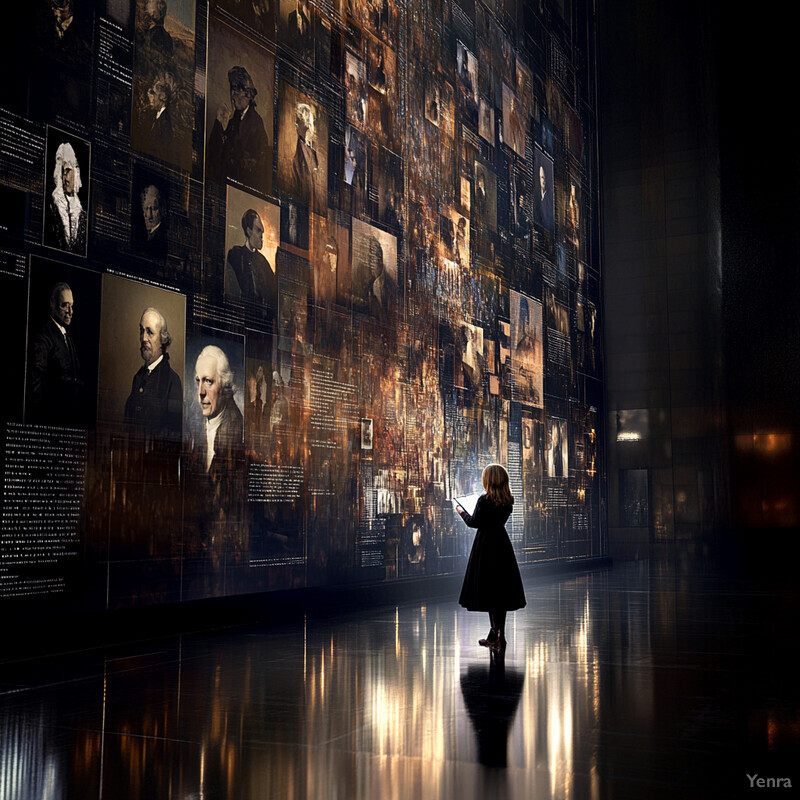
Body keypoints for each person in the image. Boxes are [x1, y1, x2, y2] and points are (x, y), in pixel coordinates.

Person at [456, 464, 526, 652]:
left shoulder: (483, 501)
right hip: (502, 546)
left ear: (489, 480)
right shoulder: (507, 501)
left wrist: (461, 512)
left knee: (488, 590)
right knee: (500, 592)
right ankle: (497, 635)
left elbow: (474, 523)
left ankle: (496, 636)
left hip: (485, 546)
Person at [207, 66, 271, 194]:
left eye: (236, 92)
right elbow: (213, 154)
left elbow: (257, 166)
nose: (232, 96)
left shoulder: (256, 123)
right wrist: (219, 124)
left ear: (247, 94)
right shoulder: (232, 121)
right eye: (232, 90)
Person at [27, 282, 84, 425]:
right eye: (64, 305)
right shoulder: (43, 337)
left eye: (72, 305)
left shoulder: (67, 335)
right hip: (53, 420)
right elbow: (36, 385)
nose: (70, 312)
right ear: (52, 304)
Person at [123, 307, 183, 442]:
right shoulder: (138, 378)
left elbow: (174, 436)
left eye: (150, 332)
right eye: (141, 331)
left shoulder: (172, 382)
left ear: (162, 339)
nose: (143, 338)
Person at [225, 209, 277, 320]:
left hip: (262, 323)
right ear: (249, 231)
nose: (261, 236)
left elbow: (274, 294)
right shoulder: (236, 255)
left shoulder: (263, 262)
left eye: (262, 232)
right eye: (258, 231)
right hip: (243, 319)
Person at [45, 142, 87, 255]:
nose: (66, 178)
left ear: (76, 172)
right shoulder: (52, 207)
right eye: (63, 173)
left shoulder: (83, 214)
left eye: (68, 171)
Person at [291, 102, 320, 213]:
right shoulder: (297, 150)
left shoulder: (312, 151)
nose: (307, 121)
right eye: (304, 117)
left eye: (308, 117)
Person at [139, 182, 168, 258]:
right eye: (146, 208)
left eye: (154, 208)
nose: (149, 215)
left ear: (162, 209)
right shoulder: (142, 236)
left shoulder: (161, 239)